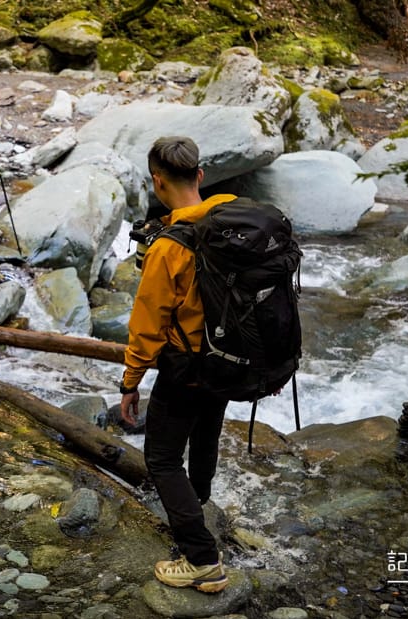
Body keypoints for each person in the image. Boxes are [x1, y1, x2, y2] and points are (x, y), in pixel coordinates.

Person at [119, 136, 238, 594]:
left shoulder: (170, 247)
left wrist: (130, 383)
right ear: (202, 177)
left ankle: (203, 560)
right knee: (205, 436)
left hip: (186, 366)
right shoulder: (231, 217)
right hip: (229, 359)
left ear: (157, 180)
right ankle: (200, 511)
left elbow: (148, 325)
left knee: (163, 459)